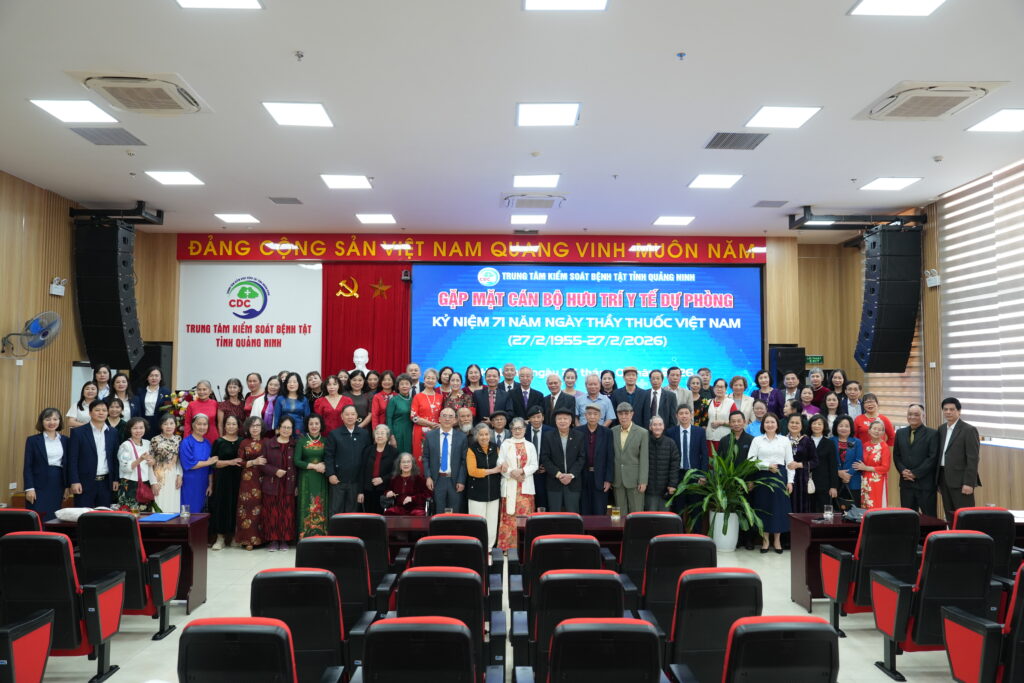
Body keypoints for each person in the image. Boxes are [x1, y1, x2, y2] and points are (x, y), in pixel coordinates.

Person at [748, 413, 793, 553]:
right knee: (763, 508)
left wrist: (790, 481)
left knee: (779, 509)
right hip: (762, 477)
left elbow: (790, 463)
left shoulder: (785, 440)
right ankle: (765, 540)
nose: (770, 425)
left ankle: (777, 540)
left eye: (773, 422)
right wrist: (767, 466)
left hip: (780, 476)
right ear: (763, 425)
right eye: (767, 422)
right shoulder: (757, 440)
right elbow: (750, 460)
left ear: (777, 424)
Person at [936, 397, 981, 521]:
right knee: (949, 514)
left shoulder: (969, 430)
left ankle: (967, 534)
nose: (948, 412)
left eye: (952, 409)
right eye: (945, 409)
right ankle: (952, 533)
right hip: (944, 479)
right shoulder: (941, 429)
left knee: (965, 516)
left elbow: (973, 459)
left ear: (959, 411)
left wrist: (969, 483)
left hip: (961, 481)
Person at [497, 418, 538, 551]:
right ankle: (506, 548)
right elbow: (500, 463)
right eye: (515, 428)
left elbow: (534, 465)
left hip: (525, 485)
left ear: (525, 430)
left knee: (524, 519)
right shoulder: (506, 444)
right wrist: (512, 473)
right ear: (511, 430)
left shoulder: (530, 445)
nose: (517, 431)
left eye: (520, 428)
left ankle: (524, 549)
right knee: (508, 517)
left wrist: (522, 471)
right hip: (510, 484)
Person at [68, 399, 119, 507]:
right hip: (84, 483)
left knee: (103, 514)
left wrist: (115, 479)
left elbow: (115, 458)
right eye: (97, 410)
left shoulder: (113, 432)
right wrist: (74, 481)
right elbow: (72, 459)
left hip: (106, 483)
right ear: (90, 413)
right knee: (84, 515)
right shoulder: (78, 432)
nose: (101, 413)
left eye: (104, 410)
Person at [893, 403, 939, 517]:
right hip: (906, 484)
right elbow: (896, 456)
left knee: (930, 519)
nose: (912, 417)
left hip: (925, 484)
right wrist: (903, 470)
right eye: (910, 414)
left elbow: (932, 458)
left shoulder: (933, 434)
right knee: (907, 518)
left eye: (916, 414)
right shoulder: (900, 433)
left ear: (923, 416)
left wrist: (915, 473)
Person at [23, 407, 69, 521]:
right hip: (38, 484)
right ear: (42, 421)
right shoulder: (33, 440)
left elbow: (67, 465)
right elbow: (28, 466)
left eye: (55, 419)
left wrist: (67, 486)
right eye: (48, 419)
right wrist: (29, 488)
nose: (52, 422)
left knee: (53, 516)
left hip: (58, 483)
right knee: (37, 515)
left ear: (59, 421)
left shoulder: (66, 440)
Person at [667, 405, 709, 527]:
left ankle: (696, 536)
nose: (684, 416)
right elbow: (669, 457)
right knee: (678, 509)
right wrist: (670, 480)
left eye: (686, 413)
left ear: (691, 415)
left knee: (696, 510)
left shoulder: (699, 432)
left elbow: (704, 455)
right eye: (681, 413)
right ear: (677, 416)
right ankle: (678, 535)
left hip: (695, 475)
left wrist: (703, 475)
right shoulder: (671, 432)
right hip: (678, 475)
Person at [259, 415, 297, 551]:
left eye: (289, 428)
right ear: (278, 428)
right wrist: (275, 471)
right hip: (272, 483)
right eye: (284, 427)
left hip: (289, 484)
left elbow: (298, 466)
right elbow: (261, 464)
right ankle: (273, 540)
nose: (286, 430)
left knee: (287, 512)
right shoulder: (268, 444)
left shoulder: (295, 444)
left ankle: (284, 540)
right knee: (272, 512)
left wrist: (297, 485)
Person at [719, 410, 755, 548]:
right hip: (729, 483)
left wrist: (751, 481)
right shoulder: (724, 440)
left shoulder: (751, 440)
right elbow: (720, 463)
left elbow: (754, 463)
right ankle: (736, 539)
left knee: (747, 510)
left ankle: (749, 540)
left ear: (744, 422)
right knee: (733, 511)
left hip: (746, 482)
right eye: (733, 421)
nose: (736, 424)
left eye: (739, 421)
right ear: (729, 423)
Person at [325, 405, 370, 514]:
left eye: (353, 414)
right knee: (336, 511)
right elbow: (329, 456)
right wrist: (331, 474)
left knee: (352, 513)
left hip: (356, 482)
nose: (350, 417)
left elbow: (367, 457)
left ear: (357, 416)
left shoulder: (364, 434)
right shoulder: (334, 434)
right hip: (338, 481)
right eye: (347, 414)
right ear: (342, 416)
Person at [422, 407, 468, 513]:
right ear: (439, 419)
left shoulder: (462, 437)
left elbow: (464, 461)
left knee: (454, 512)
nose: (447, 419)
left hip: (454, 480)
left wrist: (461, 480)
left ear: (455, 420)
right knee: (439, 511)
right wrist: (428, 477)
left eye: (450, 416)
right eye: (444, 416)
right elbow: (426, 457)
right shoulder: (430, 436)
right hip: (437, 480)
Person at [465, 423, 503, 547]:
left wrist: (504, 466)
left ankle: (489, 548)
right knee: (477, 523)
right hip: (477, 493)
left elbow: (501, 464)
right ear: (476, 436)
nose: (484, 437)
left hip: (493, 492)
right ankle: (477, 547)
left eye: (486, 434)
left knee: (492, 523)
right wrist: (493, 471)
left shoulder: (495, 447)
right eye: (481, 435)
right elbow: (472, 471)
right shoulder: (472, 449)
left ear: (490, 435)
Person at [209, 414, 244, 550]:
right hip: (223, 480)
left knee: (237, 506)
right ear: (224, 426)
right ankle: (220, 538)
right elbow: (214, 463)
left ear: (238, 426)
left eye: (234, 424)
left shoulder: (242, 441)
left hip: (239, 479)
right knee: (222, 507)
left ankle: (235, 537)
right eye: (228, 424)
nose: (231, 426)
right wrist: (230, 462)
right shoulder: (219, 442)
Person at [540, 408, 584, 512]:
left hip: (573, 482)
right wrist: (559, 474)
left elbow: (581, 458)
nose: (562, 421)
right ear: (555, 421)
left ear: (571, 421)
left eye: (565, 418)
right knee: (554, 514)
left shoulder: (579, 436)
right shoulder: (548, 436)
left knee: (573, 513)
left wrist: (571, 475)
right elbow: (545, 458)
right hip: (554, 481)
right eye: (559, 419)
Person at [294, 414, 330, 536]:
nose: (314, 426)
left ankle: (320, 534)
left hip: (321, 477)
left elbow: (330, 457)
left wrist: (324, 464)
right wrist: (314, 466)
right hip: (306, 477)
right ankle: (305, 535)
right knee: (306, 503)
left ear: (321, 425)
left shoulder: (326, 441)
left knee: (320, 503)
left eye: (316, 423)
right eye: (311, 424)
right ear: (307, 425)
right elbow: (297, 461)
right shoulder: (302, 441)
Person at [235, 416, 267, 550]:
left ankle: (263, 539)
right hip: (248, 479)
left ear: (262, 427)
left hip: (264, 478)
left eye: (258, 425)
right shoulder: (244, 443)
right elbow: (239, 462)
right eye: (252, 426)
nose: (255, 428)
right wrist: (253, 462)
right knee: (247, 507)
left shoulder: (267, 442)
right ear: (248, 428)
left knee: (262, 507)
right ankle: (247, 540)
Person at [611, 402, 649, 515]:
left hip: (635, 479)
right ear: (617, 415)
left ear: (632, 414)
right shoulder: (612, 431)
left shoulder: (642, 432)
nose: (623, 417)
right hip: (617, 479)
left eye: (626, 413)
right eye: (620, 414)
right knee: (619, 513)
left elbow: (644, 458)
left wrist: (643, 481)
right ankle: (621, 528)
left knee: (636, 512)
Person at [575, 404, 613, 515]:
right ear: (585, 415)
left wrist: (608, 479)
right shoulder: (577, 431)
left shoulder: (607, 432)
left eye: (595, 414)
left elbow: (610, 457)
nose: (592, 416)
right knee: (584, 510)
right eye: (589, 414)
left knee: (599, 511)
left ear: (600, 416)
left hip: (600, 477)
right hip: (582, 476)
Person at [179, 414, 218, 513]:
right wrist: (209, 462)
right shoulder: (186, 442)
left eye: (205, 424)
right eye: (199, 424)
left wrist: (210, 485)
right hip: (189, 484)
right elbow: (189, 464)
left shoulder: (208, 443)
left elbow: (210, 469)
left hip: (203, 484)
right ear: (193, 425)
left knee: (200, 513)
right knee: (187, 512)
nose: (202, 427)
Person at [116, 417, 155, 511]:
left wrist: (152, 461)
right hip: (130, 484)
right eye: (135, 428)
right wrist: (140, 459)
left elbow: (151, 464)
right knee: (128, 514)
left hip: (145, 483)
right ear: (130, 430)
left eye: (141, 428)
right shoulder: (126, 445)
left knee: (145, 514)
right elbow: (125, 467)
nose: (138, 431)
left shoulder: (148, 443)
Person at [645, 416, 680, 511]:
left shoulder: (671, 443)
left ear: (663, 426)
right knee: (650, 516)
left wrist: (672, 484)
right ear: (650, 427)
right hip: (649, 490)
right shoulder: (645, 442)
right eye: (654, 425)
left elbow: (675, 466)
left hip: (665, 490)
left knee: (664, 517)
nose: (657, 427)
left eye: (660, 424)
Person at [855, 419, 892, 509]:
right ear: (869, 430)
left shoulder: (884, 447)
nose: (877, 431)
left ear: (883, 433)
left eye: (880, 430)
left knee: (876, 505)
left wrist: (866, 468)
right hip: (864, 479)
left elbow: (885, 468)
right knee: (864, 505)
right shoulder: (865, 445)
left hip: (877, 480)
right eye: (874, 428)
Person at [785, 414, 817, 514]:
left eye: (797, 423)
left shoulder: (807, 441)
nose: (794, 425)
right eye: (792, 422)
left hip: (802, 479)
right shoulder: (782, 440)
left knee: (801, 507)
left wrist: (799, 465)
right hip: (785, 477)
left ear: (802, 425)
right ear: (787, 424)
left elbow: (815, 461)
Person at [410, 368, 443, 466]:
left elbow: (442, 415)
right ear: (424, 379)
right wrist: (430, 424)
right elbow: (414, 417)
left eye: (433, 378)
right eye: (428, 378)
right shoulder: (417, 396)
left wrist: (439, 425)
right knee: (420, 457)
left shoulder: (440, 397)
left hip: (436, 430)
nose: (430, 380)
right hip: (420, 431)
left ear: (436, 381)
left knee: (435, 457)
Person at [363, 424, 398, 516]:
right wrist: (360, 492)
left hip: (384, 490)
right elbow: (362, 470)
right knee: (368, 516)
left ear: (387, 436)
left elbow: (396, 472)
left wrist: (382, 479)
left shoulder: (393, 452)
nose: (379, 436)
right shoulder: (368, 450)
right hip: (368, 489)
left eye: (382, 433)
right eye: (377, 433)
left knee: (381, 517)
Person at [151, 414, 183, 513]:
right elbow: (150, 462)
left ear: (175, 425)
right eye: (165, 424)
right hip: (158, 476)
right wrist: (153, 482)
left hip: (173, 476)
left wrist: (179, 475)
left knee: (173, 504)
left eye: (171, 423)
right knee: (159, 504)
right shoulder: (155, 440)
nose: (169, 426)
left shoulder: (178, 439)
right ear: (161, 426)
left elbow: (179, 460)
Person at [807, 414, 838, 513]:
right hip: (806, 481)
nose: (817, 426)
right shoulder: (805, 440)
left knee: (823, 512)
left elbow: (833, 466)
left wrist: (833, 486)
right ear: (810, 425)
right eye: (814, 423)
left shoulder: (829, 443)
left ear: (824, 426)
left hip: (824, 484)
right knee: (807, 511)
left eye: (820, 424)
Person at [830, 416, 863, 509]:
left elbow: (858, 460)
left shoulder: (857, 442)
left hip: (853, 480)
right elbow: (828, 461)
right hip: (835, 481)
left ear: (851, 428)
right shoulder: (830, 441)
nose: (843, 428)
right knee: (836, 509)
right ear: (836, 427)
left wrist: (848, 474)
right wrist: (838, 472)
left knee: (853, 510)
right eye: (841, 426)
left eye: (846, 426)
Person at [525, 406, 552, 511]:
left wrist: (548, 467)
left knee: (543, 502)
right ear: (529, 419)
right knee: (528, 502)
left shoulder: (550, 431)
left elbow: (554, 452)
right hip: (527, 474)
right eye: (533, 417)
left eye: (538, 417)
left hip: (544, 473)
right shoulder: (523, 431)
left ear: (543, 417)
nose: (536, 420)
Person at [135, 366, 171, 437]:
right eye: (151, 375)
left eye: (156, 375)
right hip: (143, 422)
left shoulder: (166, 392)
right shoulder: (140, 391)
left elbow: (168, 410)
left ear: (160, 378)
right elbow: (137, 408)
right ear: (147, 378)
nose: (154, 378)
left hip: (159, 423)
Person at [386, 374, 414, 454]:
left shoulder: (413, 400)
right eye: (402, 384)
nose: (404, 386)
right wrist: (391, 437)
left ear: (411, 386)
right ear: (398, 387)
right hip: (397, 432)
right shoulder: (394, 400)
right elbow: (388, 419)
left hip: (410, 432)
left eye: (407, 384)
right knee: (398, 455)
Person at [705, 379, 735, 452]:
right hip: (709, 438)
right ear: (713, 388)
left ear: (726, 389)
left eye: (721, 387)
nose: (719, 389)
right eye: (717, 387)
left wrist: (721, 423)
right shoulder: (708, 402)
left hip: (724, 438)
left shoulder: (731, 403)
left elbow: (735, 422)